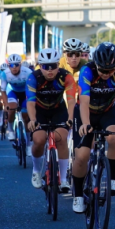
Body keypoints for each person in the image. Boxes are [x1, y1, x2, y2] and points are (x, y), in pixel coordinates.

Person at [71, 42, 115, 212]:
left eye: (110, 70)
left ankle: (112, 180)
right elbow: (84, 101)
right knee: (82, 156)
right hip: (85, 112)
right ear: (95, 64)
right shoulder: (87, 71)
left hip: (107, 111)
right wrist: (86, 123)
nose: (106, 74)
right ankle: (78, 195)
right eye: (102, 70)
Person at [26, 47, 77, 192]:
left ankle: (64, 178)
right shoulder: (33, 78)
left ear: (58, 65)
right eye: (45, 67)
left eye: (53, 66)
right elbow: (30, 102)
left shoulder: (66, 76)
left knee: (61, 138)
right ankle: (36, 171)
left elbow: (71, 101)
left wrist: (71, 118)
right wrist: (32, 119)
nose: (50, 70)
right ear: (40, 66)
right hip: (39, 111)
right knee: (39, 139)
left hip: (58, 110)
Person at [0, 54, 31, 145]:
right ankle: (10, 131)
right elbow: (3, 91)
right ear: (8, 66)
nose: (14, 67)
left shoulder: (28, 72)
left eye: (16, 65)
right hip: (12, 91)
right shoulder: (4, 74)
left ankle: (29, 144)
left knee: (25, 116)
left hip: (25, 92)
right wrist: (6, 104)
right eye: (11, 65)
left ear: (20, 65)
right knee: (11, 108)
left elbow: (32, 89)